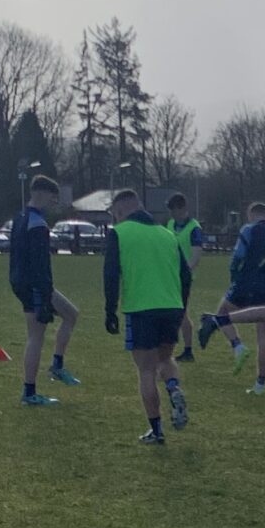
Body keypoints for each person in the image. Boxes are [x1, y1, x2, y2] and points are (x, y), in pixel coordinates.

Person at [102, 189, 191, 444]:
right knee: (166, 358)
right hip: (171, 306)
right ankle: (173, 388)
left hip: (141, 308)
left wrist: (110, 310)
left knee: (146, 370)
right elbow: (186, 276)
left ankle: (156, 429)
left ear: (119, 211)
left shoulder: (119, 233)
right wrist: (181, 307)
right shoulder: (167, 234)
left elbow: (110, 274)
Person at [197, 202, 265, 391]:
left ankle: (238, 346)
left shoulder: (248, 229)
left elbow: (237, 257)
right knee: (263, 337)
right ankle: (260, 385)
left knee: (222, 313)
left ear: (251, 215)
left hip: (246, 284)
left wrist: (234, 278)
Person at [7, 175, 80, 405]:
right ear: (39, 193)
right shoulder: (37, 223)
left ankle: (56, 366)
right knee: (36, 336)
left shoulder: (20, 217)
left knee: (71, 314)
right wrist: (45, 295)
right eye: (52, 197)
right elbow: (40, 263)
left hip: (24, 282)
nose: (53, 202)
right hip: (35, 285)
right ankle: (30, 392)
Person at [166, 193, 209, 361]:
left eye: (174, 209)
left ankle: (185, 349)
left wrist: (185, 272)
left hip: (182, 278)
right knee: (179, 313)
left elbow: (196, 256)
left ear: (183, 208)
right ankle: (185, 349)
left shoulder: (194, 228)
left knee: (179, 312)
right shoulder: (170, 224)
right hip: (169, 275)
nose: (172, 213)